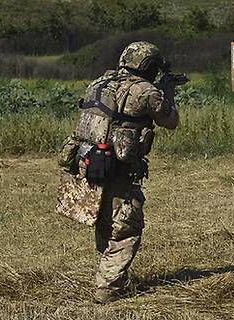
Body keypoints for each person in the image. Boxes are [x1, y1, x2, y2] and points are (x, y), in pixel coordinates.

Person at [61, 41, 179, 303]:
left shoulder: (100, 82)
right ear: (148, 67)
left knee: (105, 221)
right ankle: (108, 288)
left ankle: (111, 274)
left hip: (87, 162)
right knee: (126, 227)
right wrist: (167, 92)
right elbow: (170, 121)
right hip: (117, 167)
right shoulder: (146, 91)